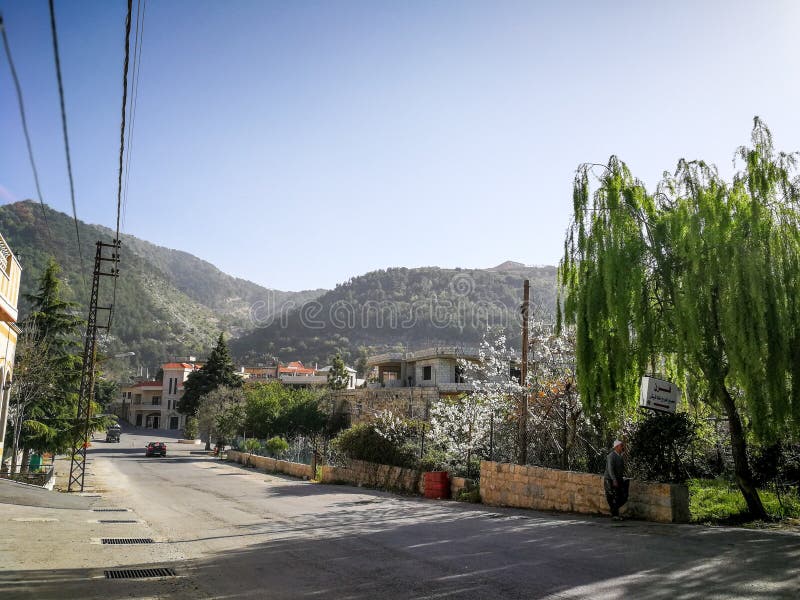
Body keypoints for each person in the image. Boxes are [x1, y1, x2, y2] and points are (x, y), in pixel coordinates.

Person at [604, 439, 628, 521]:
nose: (622, 447)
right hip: (609, 480)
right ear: (617, 447)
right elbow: (610, 469)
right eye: (621, 446)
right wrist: (614, 480)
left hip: (618, 479)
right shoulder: (611, 456)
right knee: (612, 497)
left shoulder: (620, 456)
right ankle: (615, 515)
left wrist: (621, 478)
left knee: (622, 497)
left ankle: (614, 513)